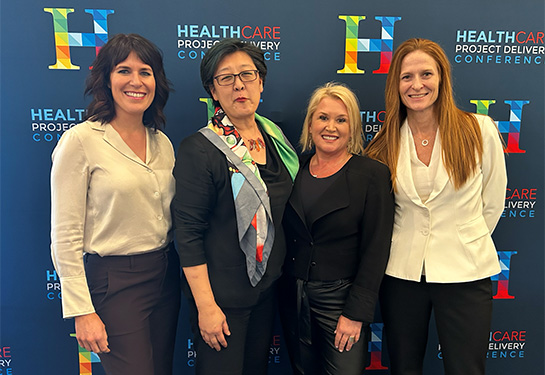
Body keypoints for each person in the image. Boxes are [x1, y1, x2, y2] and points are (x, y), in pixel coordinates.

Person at [365, 38, 508, 375]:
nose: (417, 85)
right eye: (406, 77)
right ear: (395, 85)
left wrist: (463, 240)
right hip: (403, 275)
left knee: (465, 369)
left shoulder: (479, 130)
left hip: (466, 273)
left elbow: (493, 201)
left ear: (442, 78)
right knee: (404, 367)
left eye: (426, 74)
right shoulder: (384, 143)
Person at [50, 33, 180, 375]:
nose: (136, 81)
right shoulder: (80, 142)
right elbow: (65, 234)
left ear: (157, 82)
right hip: (115, 282)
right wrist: (81, 309)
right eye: (124, 70)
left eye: (146, 72)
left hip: (165, 275)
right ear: (106, 79)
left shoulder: (162, 143)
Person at [171, 38, 299, 375]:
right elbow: (187, 234)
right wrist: (207, 306)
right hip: (222, 300)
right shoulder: (199, 149)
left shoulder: (276, 138)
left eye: (247, 74)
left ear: (261, 82)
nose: (238, 84)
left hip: (265, 289)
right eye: (225, 77)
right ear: (213, 91)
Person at [279, 82, 395, 375]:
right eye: (323, 117)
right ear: (310, 123)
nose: (331, 127)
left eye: (341, 120)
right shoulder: (294, 169)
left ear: (353, 128)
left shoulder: (371, 175)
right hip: (293, 296)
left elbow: (376, 250)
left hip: (341, 302)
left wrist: (355, 313)